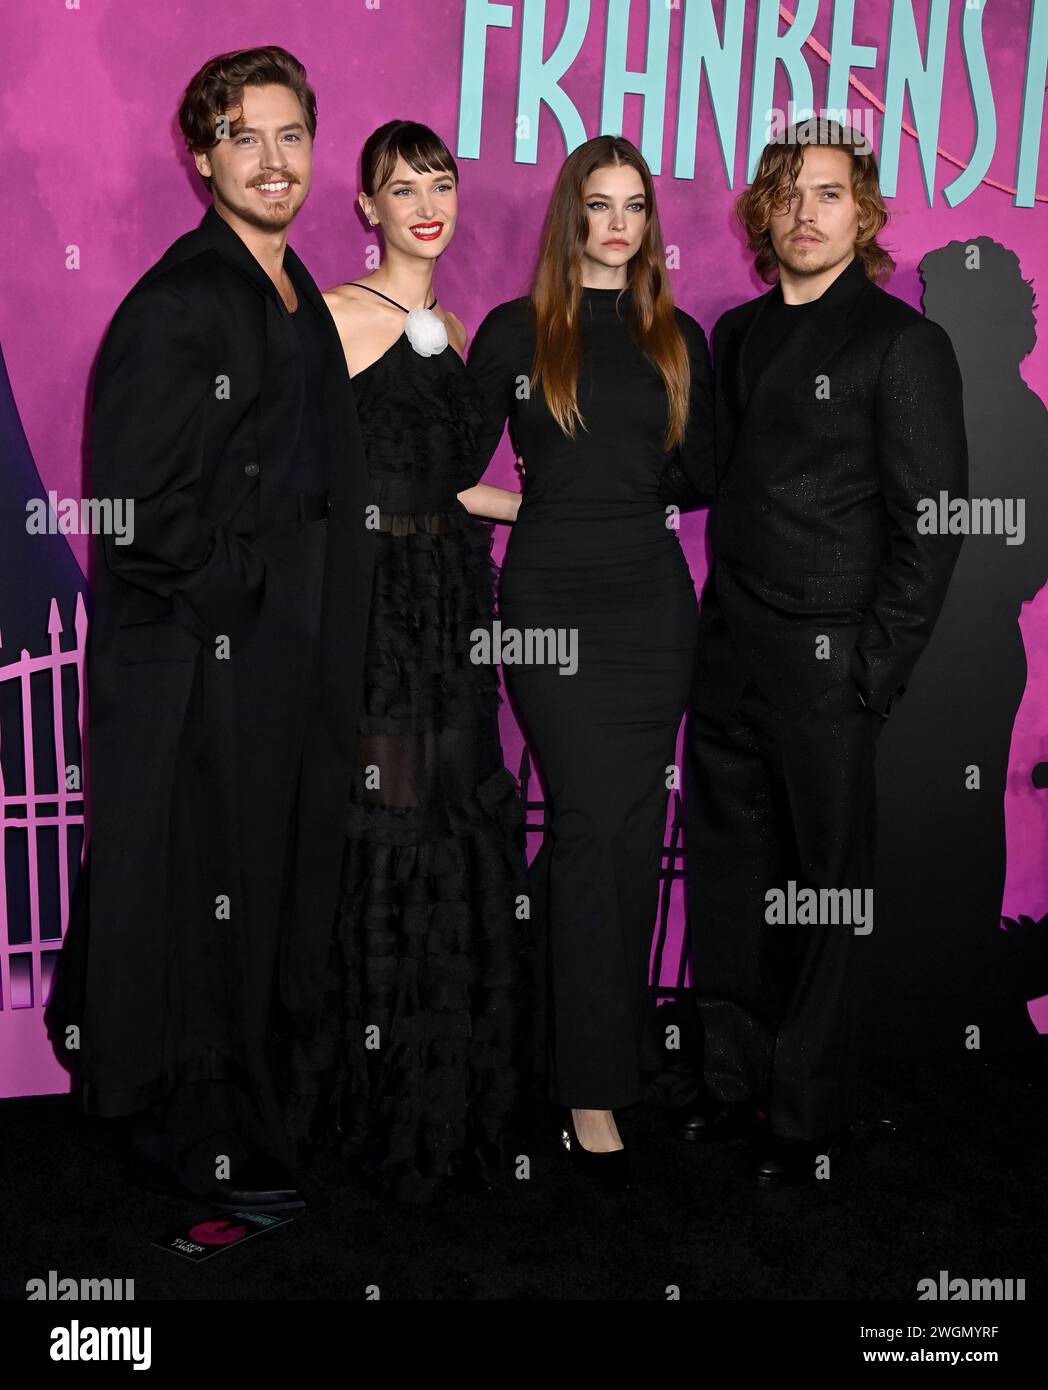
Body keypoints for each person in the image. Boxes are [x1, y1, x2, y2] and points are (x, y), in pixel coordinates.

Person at [45, 47, 374, 1211]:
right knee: (199, 893)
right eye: (245, 136)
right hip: (198, 665)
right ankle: (202, 1133)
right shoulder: (184, 297)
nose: (273, 159)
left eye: (290, 136)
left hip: (274, 667)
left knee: (257, 889)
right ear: (201, 156)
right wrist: (249, 587)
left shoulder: (293, 289)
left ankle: (248, 1102)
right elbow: (136, 505)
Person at [680, 119, 968, 1184]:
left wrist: (870, 670)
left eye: (829, 194)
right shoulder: (737, 334)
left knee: (822, 892)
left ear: (866, 213)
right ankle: (731, 1082)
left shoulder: (901, 343)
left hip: (827, 664)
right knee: (730, 880)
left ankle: (804, 1116)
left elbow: (931, 519)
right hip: (728, 654)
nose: (805, 212)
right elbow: (708, 473)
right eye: (788, 194)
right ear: (763, 212)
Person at [280, 122, 532, 1205]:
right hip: (378, 609)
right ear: (366, 208)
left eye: (439, 183)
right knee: (387, 825)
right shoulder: (333, 316)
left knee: (446, 824)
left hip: (451, 608)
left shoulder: (455, 326)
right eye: (400, 187)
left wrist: (564, 518)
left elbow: (447, 481)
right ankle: (372, 1103)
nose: (425, 202)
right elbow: (312, 478)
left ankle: (446, 1096)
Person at [466, 136, 715, 1191]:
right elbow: (437, 465)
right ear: (569, 219)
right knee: (583, 826)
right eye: (596, 206)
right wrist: (533, 506)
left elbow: (702, 475)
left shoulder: (678, 335)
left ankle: (588, 1061)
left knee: (626, 835)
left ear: (649, 224)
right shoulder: (516, 331)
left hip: (651, 610)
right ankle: (586, 1085)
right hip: (551, 607)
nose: (616, 225)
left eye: (633, 208)